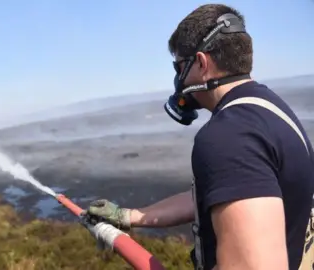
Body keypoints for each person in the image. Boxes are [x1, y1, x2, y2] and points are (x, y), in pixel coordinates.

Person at [84, 4, 314, 270]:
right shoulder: (270, 109)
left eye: (179, 67)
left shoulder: (229, 137)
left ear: (202, 63)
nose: (178, 80)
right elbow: (219, 191)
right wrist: (128, 216)